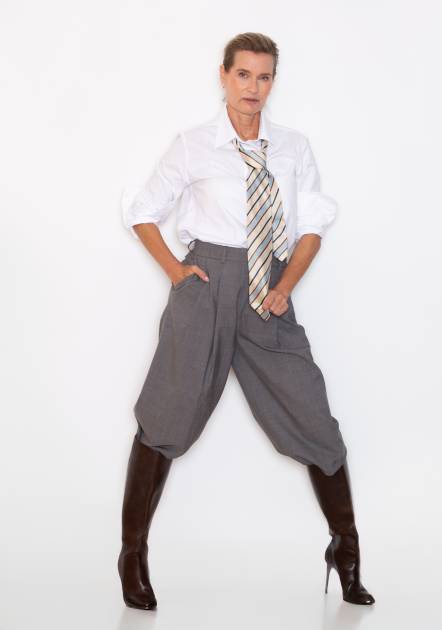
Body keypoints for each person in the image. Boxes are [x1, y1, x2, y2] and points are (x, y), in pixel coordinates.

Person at [118, 32, 375, 610]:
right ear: (224, 75)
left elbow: (311, 227)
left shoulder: (293, 148)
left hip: (269, 292)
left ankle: (347, 550)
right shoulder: (193, 145)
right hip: (206, 284)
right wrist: (177, 272)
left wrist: (286, 287)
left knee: (314, 419)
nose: (253, 87)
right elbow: (143, 210)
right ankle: (132, 554)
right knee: (165, 415)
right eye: (243, 75)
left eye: (263, 77)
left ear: (273, 81)